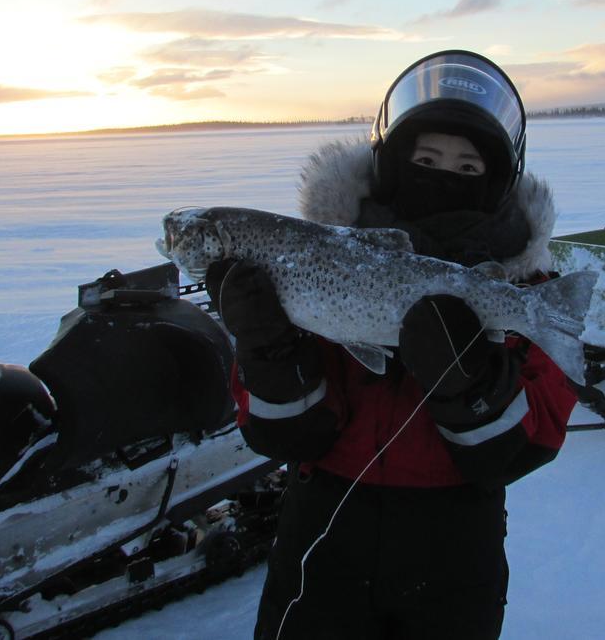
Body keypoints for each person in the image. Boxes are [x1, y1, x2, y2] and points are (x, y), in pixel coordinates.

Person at [206, 50, 578, 640]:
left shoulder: (525, 292)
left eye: (466, 167)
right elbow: (282, 435)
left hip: (455, 552)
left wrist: (470, 385)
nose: (440, 176)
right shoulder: (319, 264)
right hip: (321, 539)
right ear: (390, 162)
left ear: (498, 181)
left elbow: (525, 449)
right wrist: (268, 352)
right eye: (425, 158)